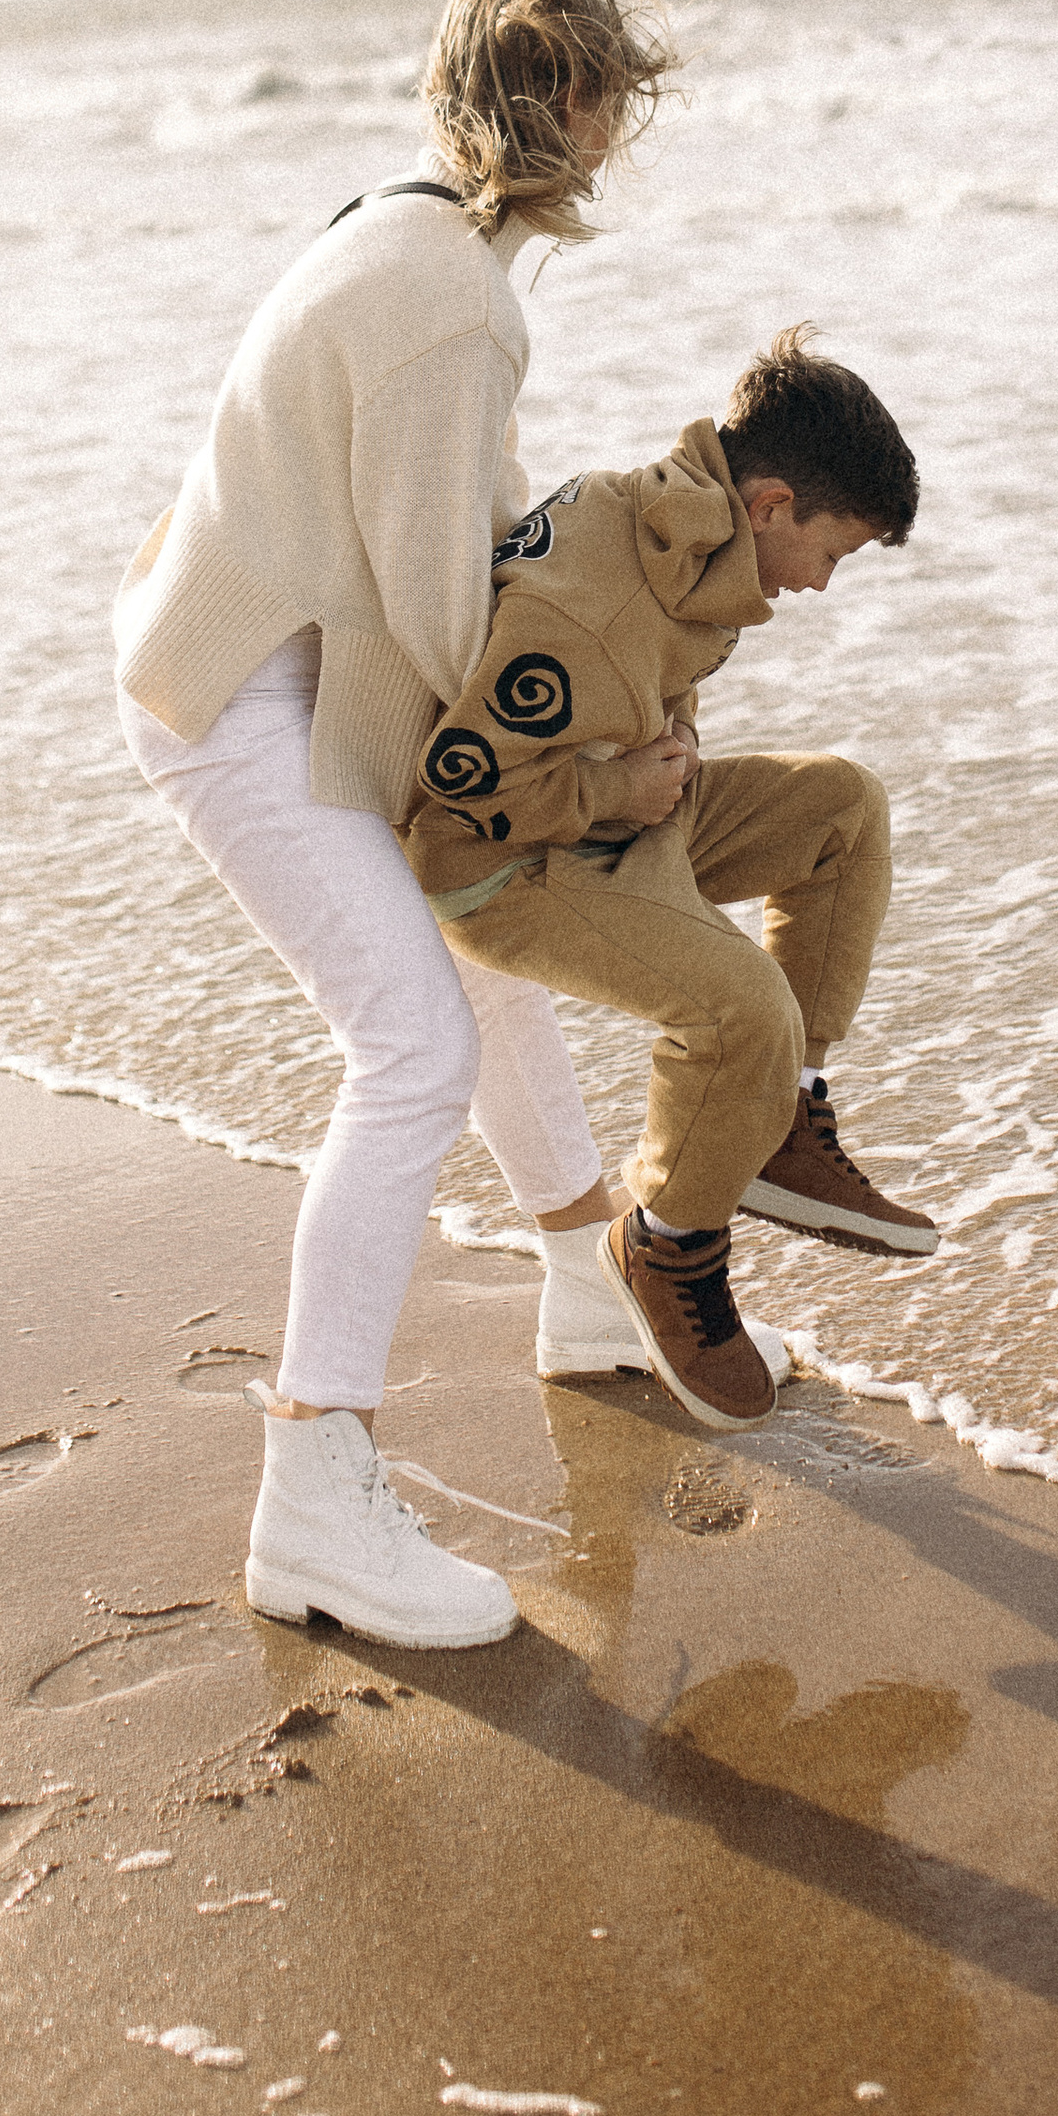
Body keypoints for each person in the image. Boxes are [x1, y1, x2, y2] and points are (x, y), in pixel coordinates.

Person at [114, 0, 679, 1653]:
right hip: (241, 703)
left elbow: (477, 533)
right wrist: (580, 779)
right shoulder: (453, 296)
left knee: (486, 955)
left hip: (275, 666)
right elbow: (447, 610)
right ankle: (316, 1494)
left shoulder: (409, 231)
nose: (614, 149)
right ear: (571, 107)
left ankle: (587, 1284)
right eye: (612, 111)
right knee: (416, 1043)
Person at [400, 328, 937, 1436]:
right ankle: (664, 1250)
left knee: (841, 806)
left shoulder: (685, 536)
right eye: (832, 553)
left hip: (624, 812)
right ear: (773, 503)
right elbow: (452, 799)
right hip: (511, 863)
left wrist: (651, 776)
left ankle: (781, 1121)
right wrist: (613, 795)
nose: (823, 585)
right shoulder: (592, 598)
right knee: (742, 1007)